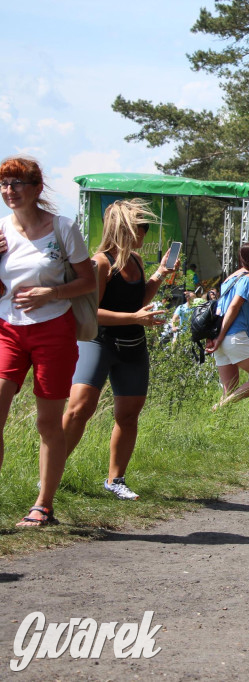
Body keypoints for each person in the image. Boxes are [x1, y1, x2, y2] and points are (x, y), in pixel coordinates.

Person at [0, 156, 96, 526]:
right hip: (7, 329)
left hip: (53, 330)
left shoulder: (63, 228)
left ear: (37, 188)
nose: (10, 191)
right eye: (5, 184)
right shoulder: (2, 231)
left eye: (18, 183)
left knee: (48, 423)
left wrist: (49, 294)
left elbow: (88, 282)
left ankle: (43, 505)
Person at [62, 199, 178, 501]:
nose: (145, 232)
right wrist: (134, 318)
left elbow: (138, 301)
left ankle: (116, 480)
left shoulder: (137, 261)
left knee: (128, 416)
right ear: (124, 229)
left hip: (133, 346)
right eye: (141, 227)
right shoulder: (100, 263)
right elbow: (91, 314)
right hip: (98, 342)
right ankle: (52, 472)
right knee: (79, 409)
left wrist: (160, 274)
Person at [205, 242, 249, 409]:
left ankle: (218, 427)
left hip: (220, 341)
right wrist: (221, 336)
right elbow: (234, 307)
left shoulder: (229, 278)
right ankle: (219, 407)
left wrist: (215, 338)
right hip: (234, 337)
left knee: (229, 390)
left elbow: (220, 309)